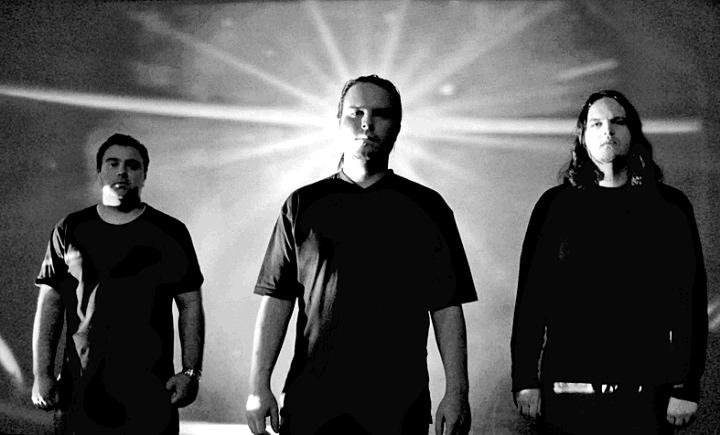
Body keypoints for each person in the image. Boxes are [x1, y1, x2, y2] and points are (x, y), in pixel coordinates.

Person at [245, 75, 477, 435]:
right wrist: (258, 387)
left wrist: (457, 392)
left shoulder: (428, 208)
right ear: (339, 121)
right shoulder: (302, 204)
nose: (367, 123)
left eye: (380, 114)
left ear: (397, 128)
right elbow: (277, 299)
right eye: (356, 113)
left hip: (398, 406)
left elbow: (446, 307)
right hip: (312, 403)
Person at [510, 90, 708, 434]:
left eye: (617, 122)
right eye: (597, 124)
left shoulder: (669, 207)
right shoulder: (555, 207)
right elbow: (532, 300)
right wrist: (525, 379)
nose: (608, 131)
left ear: (633, 132)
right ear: (582, 136)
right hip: (568, 393)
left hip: (647, 393)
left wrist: (686, 385)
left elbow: (688, 300)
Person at [31, 134, 205, 434]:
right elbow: (50, 304)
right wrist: (42, 375)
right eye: (113, 163)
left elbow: (190, 304)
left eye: (132, 165)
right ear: (99, 171)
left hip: (150, 393)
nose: (122, 171)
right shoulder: (70, 228)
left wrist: (191, 371)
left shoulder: (170, 232)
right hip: (81, 391)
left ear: (144, 174)